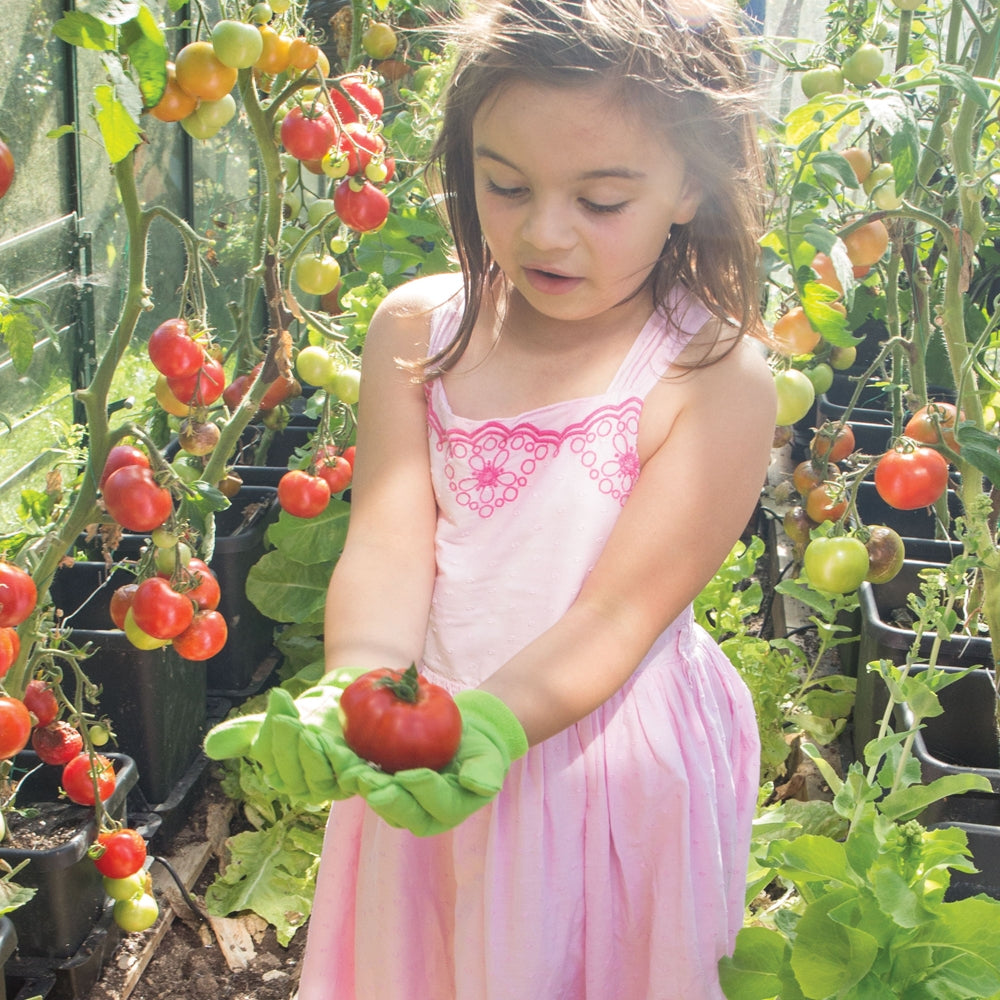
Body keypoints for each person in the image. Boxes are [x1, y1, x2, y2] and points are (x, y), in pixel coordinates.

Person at [206, 1, 777, 997]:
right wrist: (363, 689)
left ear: (691, 184)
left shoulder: (709, 377)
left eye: (601, 200)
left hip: (600, 770)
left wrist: (492, 726)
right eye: (504, 185)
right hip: (428, 748)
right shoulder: (417, 330)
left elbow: (617, 614)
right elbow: (388, 539)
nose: (544, 231)